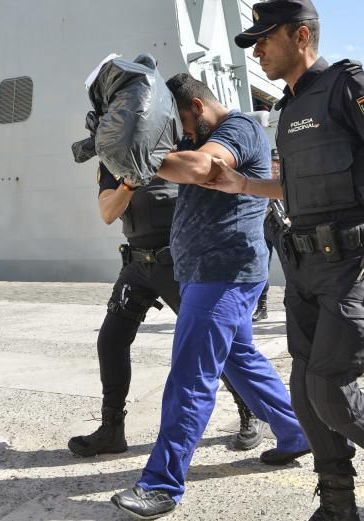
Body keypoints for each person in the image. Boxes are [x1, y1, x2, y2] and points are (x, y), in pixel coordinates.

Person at [203, 1, 364, 520]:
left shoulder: (349, 87)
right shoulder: (287, 109)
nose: (258, 49)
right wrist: (242, 184)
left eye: (266, 38)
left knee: (329, 388)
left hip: (351, 264)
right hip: (303, 266)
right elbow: (293, 186)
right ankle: (337, 502)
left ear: (301, 35)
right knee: (304, 392)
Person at [110, 73, 310, 519]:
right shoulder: (211, 134)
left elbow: (203, 168)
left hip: (223, 274)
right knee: (242, 361)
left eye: (182, 124)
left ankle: (161, 485)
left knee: (190, 375)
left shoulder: (237, 129)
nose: (181, 135)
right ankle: (297, 433)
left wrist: (137, 156)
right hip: (212, 273)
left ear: (197, 107)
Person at [67, 162, 264, 458]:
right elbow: (108, 213)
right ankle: (111, 430)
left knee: (220, 344)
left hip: (180, 264)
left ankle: (250, 411)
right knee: (111, 340)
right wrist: (129, 183)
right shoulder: (115, 161)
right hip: (137, 265)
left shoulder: (176, 150)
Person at [252, 148, 283, 322]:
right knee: (261, 268)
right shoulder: (260, 182)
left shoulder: (286, 183)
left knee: (290, 268)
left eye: (277, 164)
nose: (274, 168)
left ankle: (291, 305)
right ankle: (262, 307)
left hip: (282, 229)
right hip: (262, 228)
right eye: (272, 164)